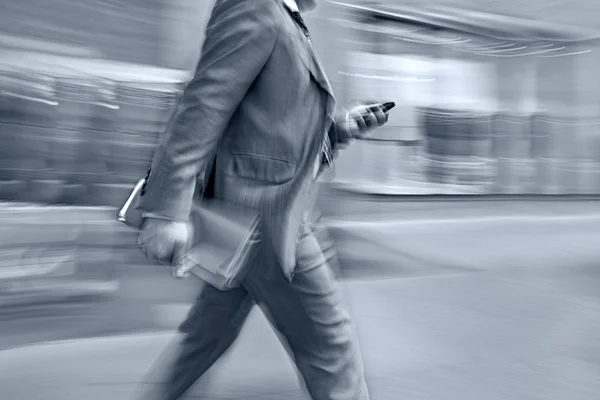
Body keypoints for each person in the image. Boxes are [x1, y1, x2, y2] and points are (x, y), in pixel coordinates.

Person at [134, 0, 391, 399]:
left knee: (203, 341)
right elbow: (204, 103)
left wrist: (339, 131)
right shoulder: (254, 6)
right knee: (333, 353)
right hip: (265, 220)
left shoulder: (284, 17)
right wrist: (166, 209)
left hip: (257, 215)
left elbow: (270, 131)